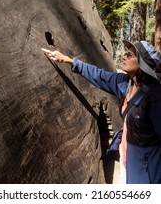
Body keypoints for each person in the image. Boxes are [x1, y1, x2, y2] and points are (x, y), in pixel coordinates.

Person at [41, 40, 161, 184]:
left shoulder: (154, 97)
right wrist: (68, 60)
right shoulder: (125, 83)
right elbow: (99, 75)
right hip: (126, 163)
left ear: (142, 66)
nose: (124, 56)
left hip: (145, 172)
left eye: (130, 55)